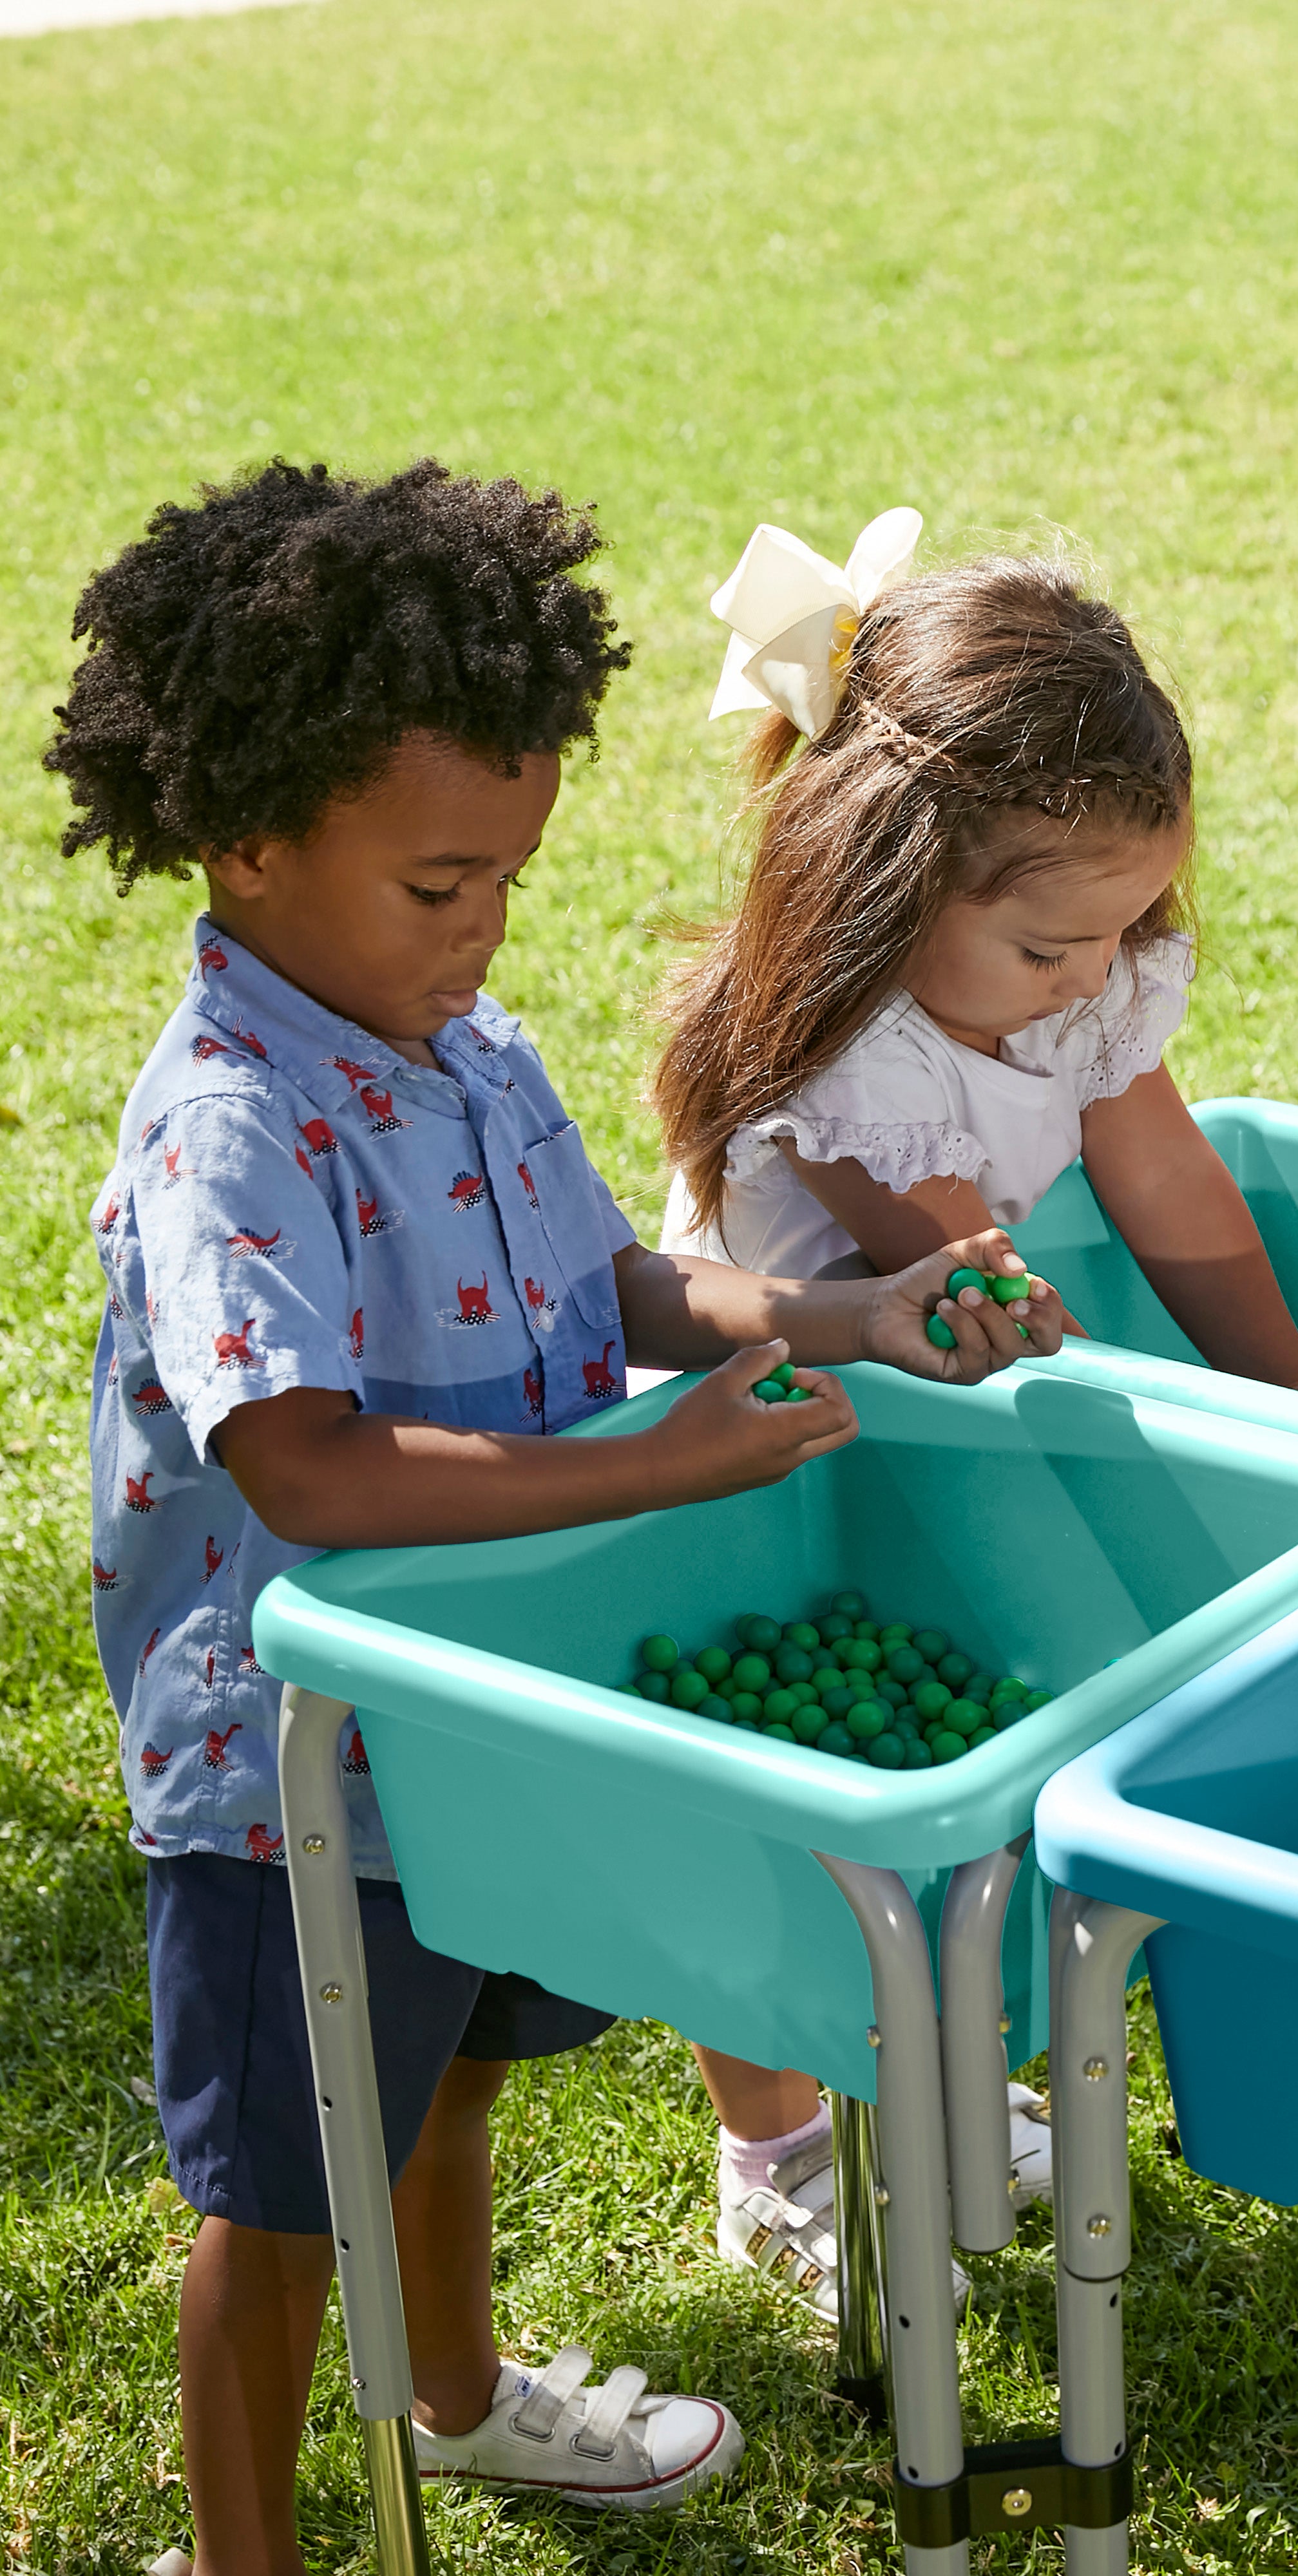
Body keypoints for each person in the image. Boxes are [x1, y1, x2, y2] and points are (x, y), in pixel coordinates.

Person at [52, 460, 1059, 2574]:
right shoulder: (232, 1122)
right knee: (281, 2198)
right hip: (289, 1773)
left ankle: (456, 2400)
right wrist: (650, 1466)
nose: (485, 928)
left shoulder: (467, 1040)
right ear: (247, 844)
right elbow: (306, 1468)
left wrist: (842, 1312)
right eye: (440, 883)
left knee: (447, 2080)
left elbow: (617, 1288)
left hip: (471, 1724)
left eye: (506, 876)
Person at [649, 517, 1298, 2318]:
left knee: (956, 1748)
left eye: (1125, 932)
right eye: (1057, 941)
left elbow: (1169, 1182)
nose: (1096, 976)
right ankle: (777, 2150)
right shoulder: (846, 1059)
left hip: (948, 1420)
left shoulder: (1070, 986)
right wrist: (1169, 1430)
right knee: (797, 1804)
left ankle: (927, 2074)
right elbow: (971, 1278)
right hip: (788, 1437)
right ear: (892, 884)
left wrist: (1293, 1387)